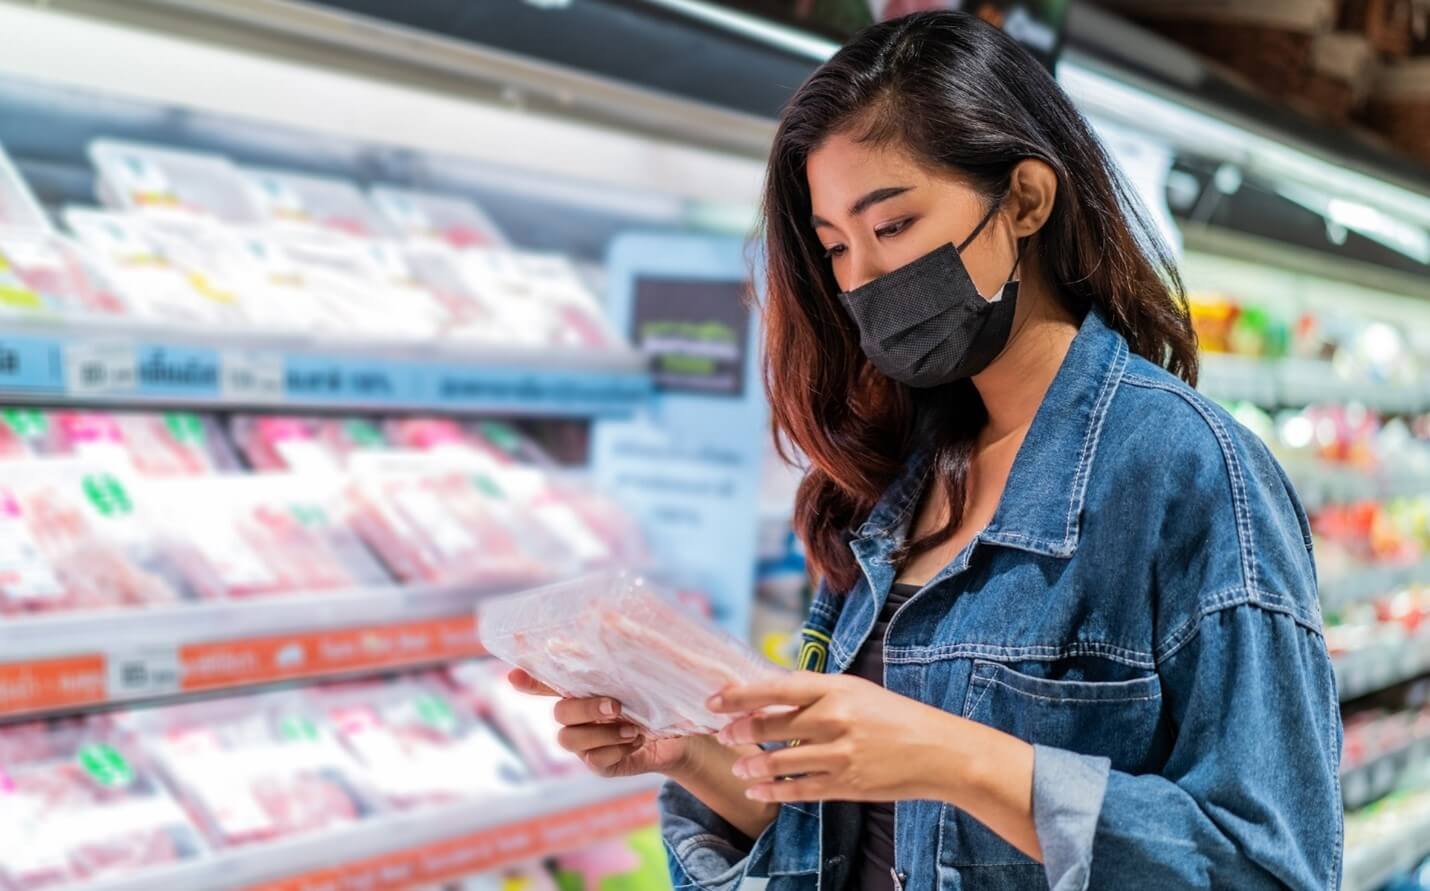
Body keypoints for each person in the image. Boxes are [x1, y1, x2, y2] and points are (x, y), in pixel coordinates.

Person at [509, 11, 1342, 890]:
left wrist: (957, 759)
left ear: (1024, 199)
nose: (863, 278)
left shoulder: (1189, 471)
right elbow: (853, 837)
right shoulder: (888, 482)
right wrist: (692, 756)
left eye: (894, 224)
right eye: (835, 247)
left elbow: (1273, 865)